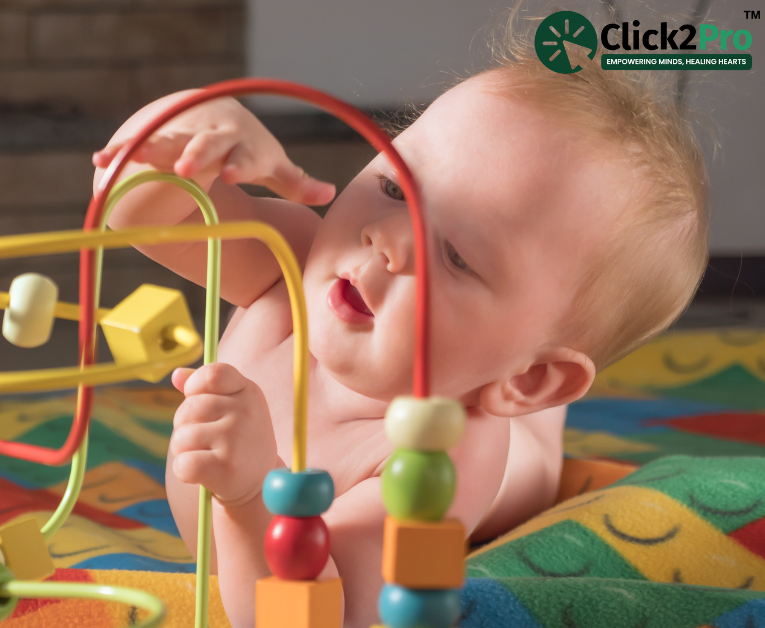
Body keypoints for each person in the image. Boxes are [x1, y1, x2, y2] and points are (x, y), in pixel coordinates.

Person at [92, 14, 709, 627]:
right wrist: (188, 131)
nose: (385, 238)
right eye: (393, 187)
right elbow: (135, 209)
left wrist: (250, 497)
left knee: (524, 452)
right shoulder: (292, 262)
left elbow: (322, 615)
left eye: (457, 255)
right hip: (493, 363)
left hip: (498, 438)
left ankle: (535, 407)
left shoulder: (440, 457)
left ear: (531, 376)